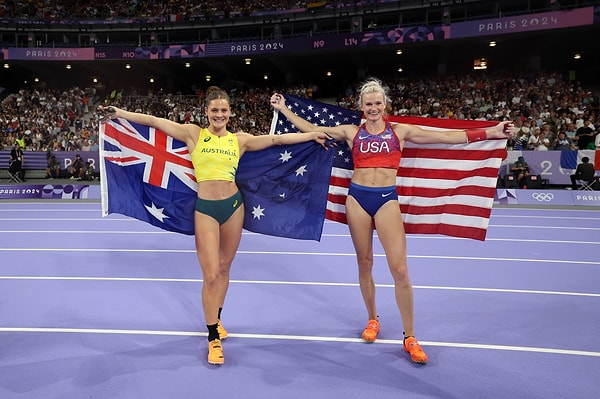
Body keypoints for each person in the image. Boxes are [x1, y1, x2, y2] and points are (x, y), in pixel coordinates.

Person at [270, 77, 513, 364]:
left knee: (399, 269)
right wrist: (285, 110)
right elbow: (313, 130)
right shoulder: (351, 131)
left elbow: (448, 138)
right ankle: (372, 319)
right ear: (361, 106)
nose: (373, 108)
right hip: (357, 199)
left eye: (377, 103)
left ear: (385, 105)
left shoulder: (400, 131)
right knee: (365, 263)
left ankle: (410, 336)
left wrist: (492, 131)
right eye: (368, 104)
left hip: (386, 199)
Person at [98, 86, 332, 366]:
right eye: (214, 110)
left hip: (234, 207)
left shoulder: (240, 140)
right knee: (210, 275)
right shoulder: (193, 134)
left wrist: (310, 135)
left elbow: (277, 141)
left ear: (230, 113)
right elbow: (153, 121)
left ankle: (217, 319)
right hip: (206, 210)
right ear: (206, 112)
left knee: (224, 269)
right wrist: (119, 113)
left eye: (224, 110)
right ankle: (213, 338)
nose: (219, 114)